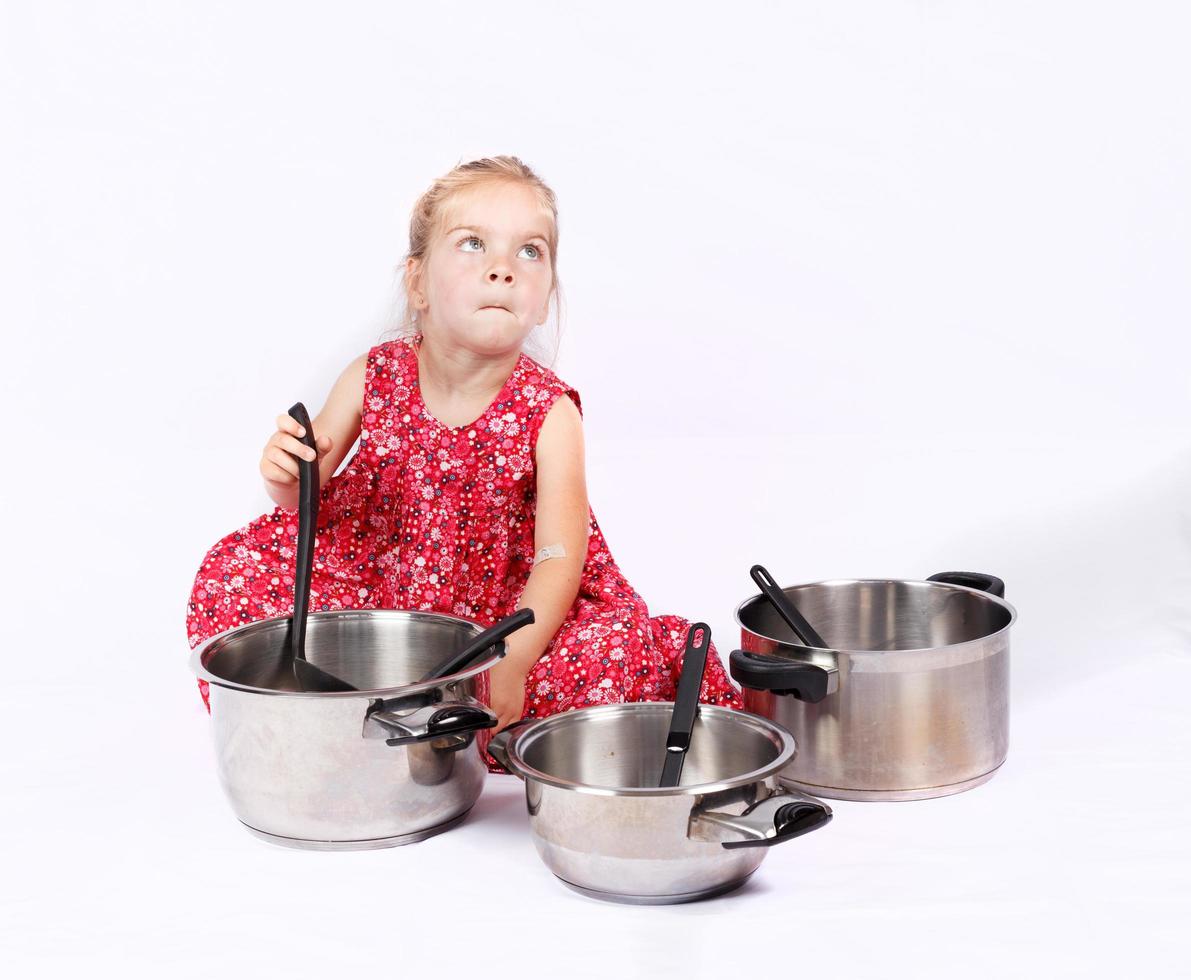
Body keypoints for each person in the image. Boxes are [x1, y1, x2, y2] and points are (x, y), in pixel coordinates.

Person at [185, 155, 741, 770]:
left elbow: (561, 560)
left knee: (616, 654)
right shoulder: (375, 375)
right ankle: (329, 712)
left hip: (504, 618)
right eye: (473, 244)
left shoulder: (549, 411)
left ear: (545, 298)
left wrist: (516, 660)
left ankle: (458, 719)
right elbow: (307, 495)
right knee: (233, 570)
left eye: (529, 252)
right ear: (417, 283)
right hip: (381, 598)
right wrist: (285, 476)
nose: (503, 268)